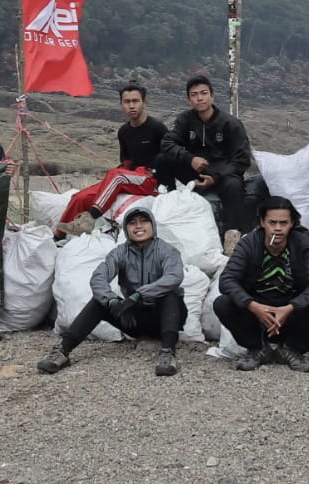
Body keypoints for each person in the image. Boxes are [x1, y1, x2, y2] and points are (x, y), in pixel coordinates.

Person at [36, 207, 186, 376]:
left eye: (143, 221)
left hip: (166, 317)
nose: (138, 226)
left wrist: (140, 294)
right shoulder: (120, 253)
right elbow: (98, 278)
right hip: (134, 319)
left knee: (171, 294)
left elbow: (174, 276)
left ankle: (168, 353)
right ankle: (62, 351)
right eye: (132, 223)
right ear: (126, 229)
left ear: (153, 225)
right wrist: (112, 301)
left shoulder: (167, 250)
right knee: (99, 301)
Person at [212, 195, 309, 373]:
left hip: (290, 313)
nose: (278, 228)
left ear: (292, 223)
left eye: (283, 223)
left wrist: (291, 307)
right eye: (272, 222)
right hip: (257, 313)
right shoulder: (249, 244)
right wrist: (253, 306)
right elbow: (227, 280)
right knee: (222, 303)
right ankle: (258, 348)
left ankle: (291, 349)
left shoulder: (302, 245)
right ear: (262, 222)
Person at [58, 83, 166, 236]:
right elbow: (126, 161)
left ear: (144, 103)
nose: (131, 106)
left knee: (117, 176)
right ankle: (58, 237)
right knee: (80, 197)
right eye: (127, 102)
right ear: (121, 105)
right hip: (130, 176)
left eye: (135, 101)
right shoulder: (124, 131)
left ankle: (89, 220)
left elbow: (169, 157)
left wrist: (161, 181)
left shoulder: (157, 128)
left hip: (150, 179)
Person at [160, 75, 254, 241]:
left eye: (203, 93)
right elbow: (167, 143)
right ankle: (168, 205)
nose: (199, 98)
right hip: (194, 169)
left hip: (222, 174)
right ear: (189, 99)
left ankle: (232, 234)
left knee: (234, 185)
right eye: (194, 95)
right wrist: (190, 158)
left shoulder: (230, 124)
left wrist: (216, 177)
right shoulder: (185, 120)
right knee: (162, 160)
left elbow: (242, 159)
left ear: (212, 95)